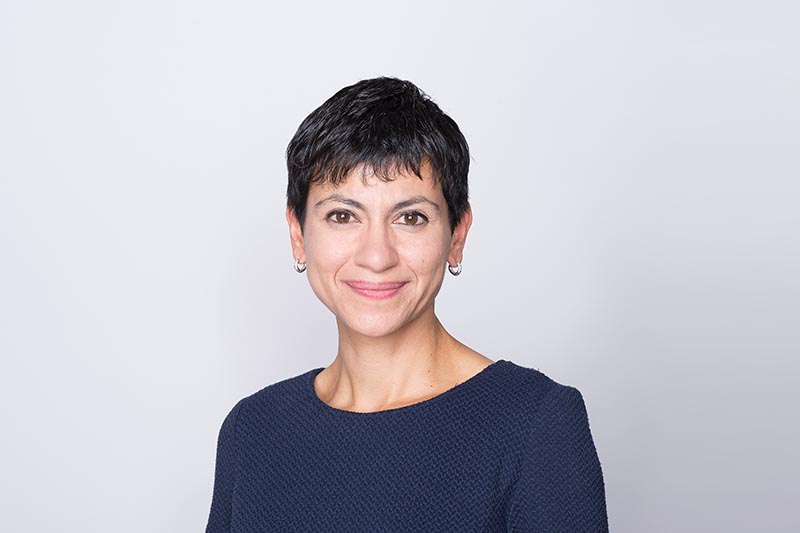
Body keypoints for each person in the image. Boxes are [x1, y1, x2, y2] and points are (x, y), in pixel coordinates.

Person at [205, 77, 609, 532]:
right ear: (298, 234)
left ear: (456, 235)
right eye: (343, 216)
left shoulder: (534, 424)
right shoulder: (252, 431)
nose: (377, 256)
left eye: (410, 217)